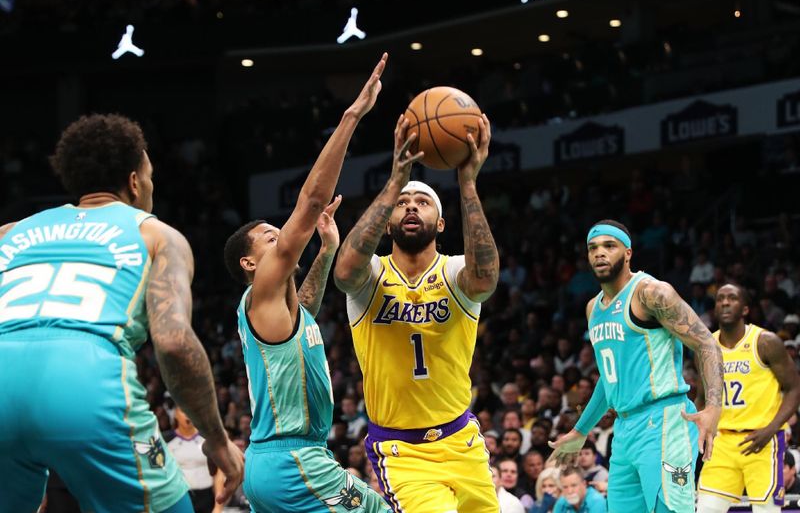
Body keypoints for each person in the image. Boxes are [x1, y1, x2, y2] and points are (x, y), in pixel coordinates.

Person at [0, 114, 243, 513]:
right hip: (84, 383)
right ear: (134, 181)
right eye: (149, 177)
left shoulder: (11, 232)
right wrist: (217, 440)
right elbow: (174, 343)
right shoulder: (156, 234)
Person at [223, 54, 392, 512]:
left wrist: (326, 249)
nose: (282, 243)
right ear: (249, 263)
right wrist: (352, 116)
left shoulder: (276, 308)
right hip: (293, 460)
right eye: (271, 240)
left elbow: (307, 307)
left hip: (273, 463)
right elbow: (313, 197)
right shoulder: (259, 293)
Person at [333, 108, 500, 512]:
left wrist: (468, 184)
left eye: (422, 202)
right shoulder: (371, 277)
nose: (410, 207)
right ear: (387, 224)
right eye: (402, 204)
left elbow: (485, 281)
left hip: (462, 441)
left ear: (441, 224)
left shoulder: (455, 270)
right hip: (401, 451)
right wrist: (395, 182)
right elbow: (343, 272)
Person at [550, 220, 724, 513]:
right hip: (625, 428)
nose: (599, 253)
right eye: (593, 248)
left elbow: (707, 344)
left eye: (609, 246)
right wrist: (580, 431)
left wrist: (713, 408)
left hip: (665, 420)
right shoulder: (594, 308)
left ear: (628, 253)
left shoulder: (652, 293)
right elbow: (609, 379)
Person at [697, 284, 800, 512]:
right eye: (720, 299)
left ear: (745, 309)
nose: (724, 302)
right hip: (722, 443)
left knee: (768, 511)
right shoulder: (706, 348)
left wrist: (771, 429)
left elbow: (795, 389)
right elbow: (702, 399)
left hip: (763, 440)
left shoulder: (766, 342)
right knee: (705, 509)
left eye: (732, 298)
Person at [166, 407, 222, 513]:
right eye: (183, 411)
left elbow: (218, 473)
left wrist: (218, 507)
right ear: (175, 414)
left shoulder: (208, 439)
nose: (187, 415)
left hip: (207, 498)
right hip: (179, 498)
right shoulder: (166, 441)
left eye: (190, 411)